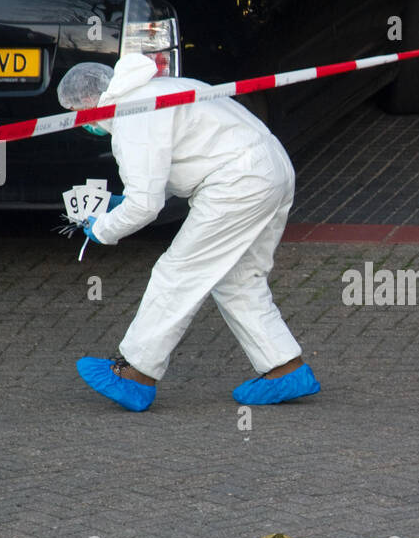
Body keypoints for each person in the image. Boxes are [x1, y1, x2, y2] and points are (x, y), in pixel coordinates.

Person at [56, 54, 320, 412]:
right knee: (239, 279)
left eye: (77, 116)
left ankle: (135, 373)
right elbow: (182, 159)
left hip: (236, 184)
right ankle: (284, 368)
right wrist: (121, 201)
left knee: (177, 274)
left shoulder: (130, 118)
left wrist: (101, 229)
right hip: (271, 170)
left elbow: (145, 206)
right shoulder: (161, 88)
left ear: (88, 105)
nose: (81, 126)